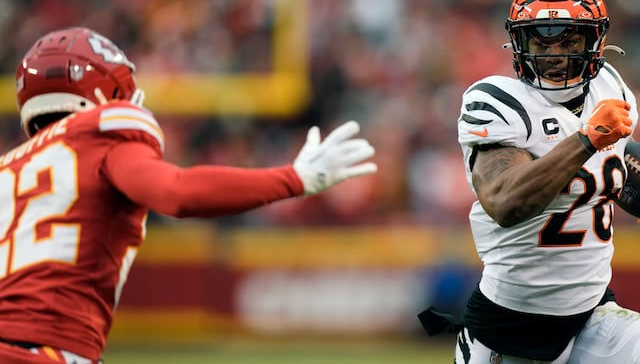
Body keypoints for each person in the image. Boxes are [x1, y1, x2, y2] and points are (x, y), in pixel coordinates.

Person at [0, 27, 377, 363]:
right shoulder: (102, 131)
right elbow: (176, 193)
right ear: (104, 90)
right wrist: (294, 178)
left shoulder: (8, 167)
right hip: (44, 350)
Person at [446, 0, 640, 363]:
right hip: (510, 331)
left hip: (591, 314)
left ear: (596, 41)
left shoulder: (611, 86)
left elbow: (608, 159)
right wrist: (586, 139)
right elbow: (504, 201)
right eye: (540, 41)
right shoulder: (498, 102)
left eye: (569, 39)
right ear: (518, 42)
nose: (554, 56)